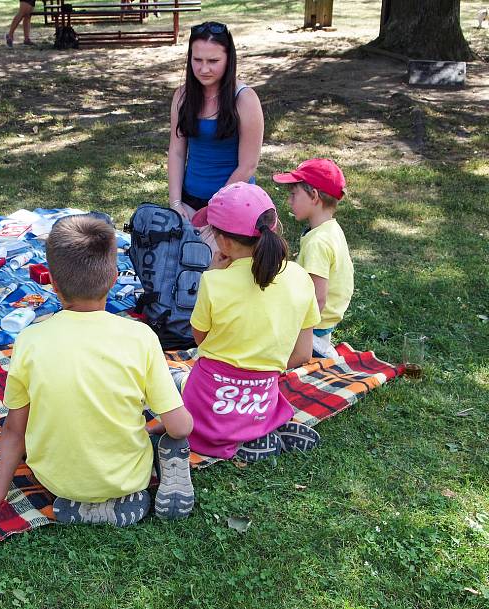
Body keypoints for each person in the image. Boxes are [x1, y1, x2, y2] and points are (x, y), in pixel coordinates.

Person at [0, 214, 195, 526]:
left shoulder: (29, 341)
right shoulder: (141, 337)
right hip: (128, 476)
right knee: (173, 422)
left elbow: (14, 429)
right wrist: (159, 428)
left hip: (55, 481)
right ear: (115, 276)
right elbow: (181, 427)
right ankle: (127, 494)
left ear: (51, 280)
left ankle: (79, 501)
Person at [175, 182, 322, 462]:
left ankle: (242, 437)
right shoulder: (301, 277)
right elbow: (303, 354)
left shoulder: (214, 281)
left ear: (224, 242)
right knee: (252, 402)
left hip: (209, 404)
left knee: (173, 384)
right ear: (274, 226)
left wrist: (214, 272)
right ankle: (259, 429)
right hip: (260, 400)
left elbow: (202, 340)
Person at [167, 22, 264, 244]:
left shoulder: (245, 99)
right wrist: (175, 204)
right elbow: (177, 152)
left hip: (233, 206)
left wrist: (215, 209)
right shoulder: (182, 97)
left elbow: (248, 165)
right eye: (197, 60)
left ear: (229, 59)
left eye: (213, 61)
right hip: (189, 203)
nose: (204, 69)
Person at [273, 158, 353, 359]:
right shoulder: (331, 228)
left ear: (314, 196)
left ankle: (318, 350)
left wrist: (294, 331)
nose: (289, 201)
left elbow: (317, 299)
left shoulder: (318, 242)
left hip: (313, 328)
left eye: (293, 195)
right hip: (324, 323)